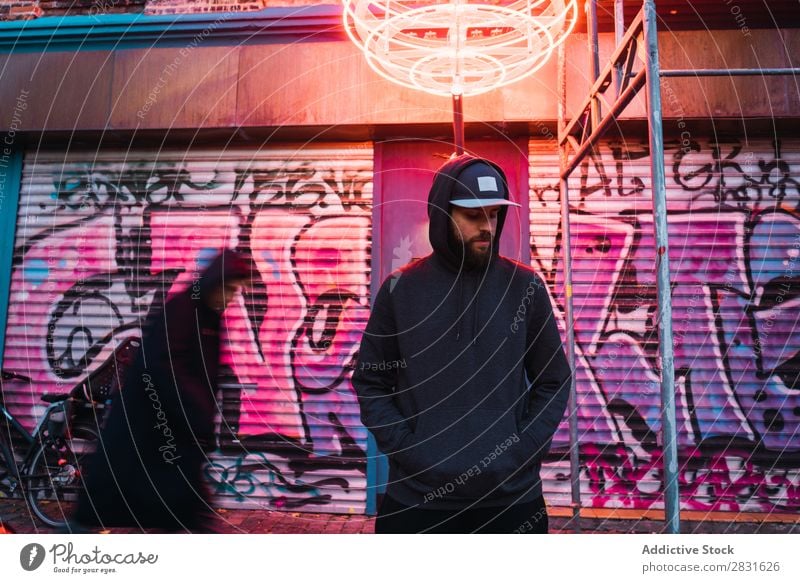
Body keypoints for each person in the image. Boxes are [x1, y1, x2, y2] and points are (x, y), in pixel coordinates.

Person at [353, 154, 572, 533]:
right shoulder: (401, 289)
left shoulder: (525, 288)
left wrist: (521, 451)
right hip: (418, 502)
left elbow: (554, 380)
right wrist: (412, 451)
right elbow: (371, 383)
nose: (486, 226)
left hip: (511, 501)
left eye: (493, 214)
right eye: (472, 215)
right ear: (442, 214)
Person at [69, 249, 252, 533]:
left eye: (234, 291)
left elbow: (203, 374)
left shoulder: (206, 317)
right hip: (151, 428)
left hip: (172, 432)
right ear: (215, 282)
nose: (230, 297)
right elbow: (165, 365)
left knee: (177, 507)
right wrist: (195, 410)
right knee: (118, 497)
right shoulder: (182, 311)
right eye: (228, 289)